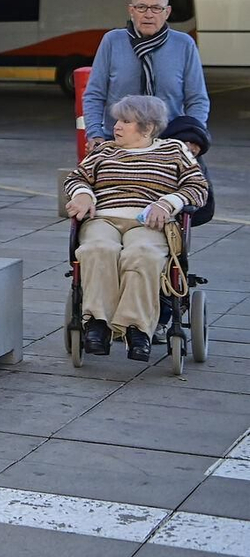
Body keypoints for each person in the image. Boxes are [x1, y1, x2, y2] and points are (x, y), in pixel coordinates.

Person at [66, 95, 209, 361]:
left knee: (143, 254)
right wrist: (83, 194)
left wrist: (168, 203)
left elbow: (198, 187)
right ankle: (98, 323)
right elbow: (76, 178)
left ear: (148, 127)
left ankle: (136, 329)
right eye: (117, 120)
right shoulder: (104, 150)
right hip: (104, 218)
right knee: (98, 249)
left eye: (126, 121)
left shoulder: (174, 150)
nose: (116, 126)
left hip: (149, 221)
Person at [82, 0, 209, 150]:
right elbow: (94, 94)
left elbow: (197, 99)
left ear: (167, 12)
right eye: (141, 7)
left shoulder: (184, 44)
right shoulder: (112, 41)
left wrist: (193, 137)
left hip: (170, 141)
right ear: (131, 10)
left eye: (156, 8)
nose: (148, 14)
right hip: (119, 141)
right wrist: (95, 134)